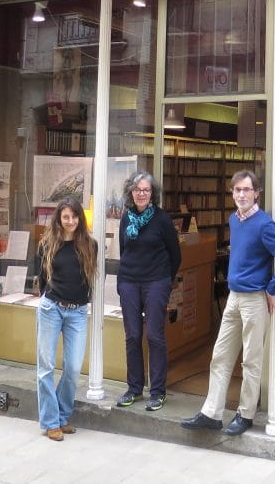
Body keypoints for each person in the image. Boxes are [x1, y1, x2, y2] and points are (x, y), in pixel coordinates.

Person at [181, 170, 275, 436]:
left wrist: (271, 288)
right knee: (220, 356)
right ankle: (211, 413)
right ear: (232, 193)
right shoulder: (234, 220)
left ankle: (245, 414)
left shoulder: (264, 224)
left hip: (255, 300)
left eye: (247, 190)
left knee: (251, 361)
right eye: (237, 190)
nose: (242, 195)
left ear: (256, 193)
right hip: (233, 298)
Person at [116, 171, 182, 412]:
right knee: (132, 335)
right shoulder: (126, 219)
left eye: (145, 190)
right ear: (130, 193)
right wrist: (125, 280)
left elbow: (176, 255)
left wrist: (164, 280)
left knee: (154, 335)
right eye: (137, 190)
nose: (141, 194)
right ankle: (134, 388)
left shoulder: (162, 219)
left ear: (152, 193)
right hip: (129, 282)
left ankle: (157, 392)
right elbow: (124, 251)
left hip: (156, 281)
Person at [32, 197, 96, 442]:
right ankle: (51, 422)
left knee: (73, 368)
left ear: (80, 218)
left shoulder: (90, 245)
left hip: (78, 311)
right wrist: (48, 300)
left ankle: (61, 414)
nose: (70, 221)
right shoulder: (47, 244)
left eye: (74, 216)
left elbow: (90, 279)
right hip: (52, 308)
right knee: (45, 367)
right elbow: (43, 278)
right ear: (59, 219)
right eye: (66, 217)